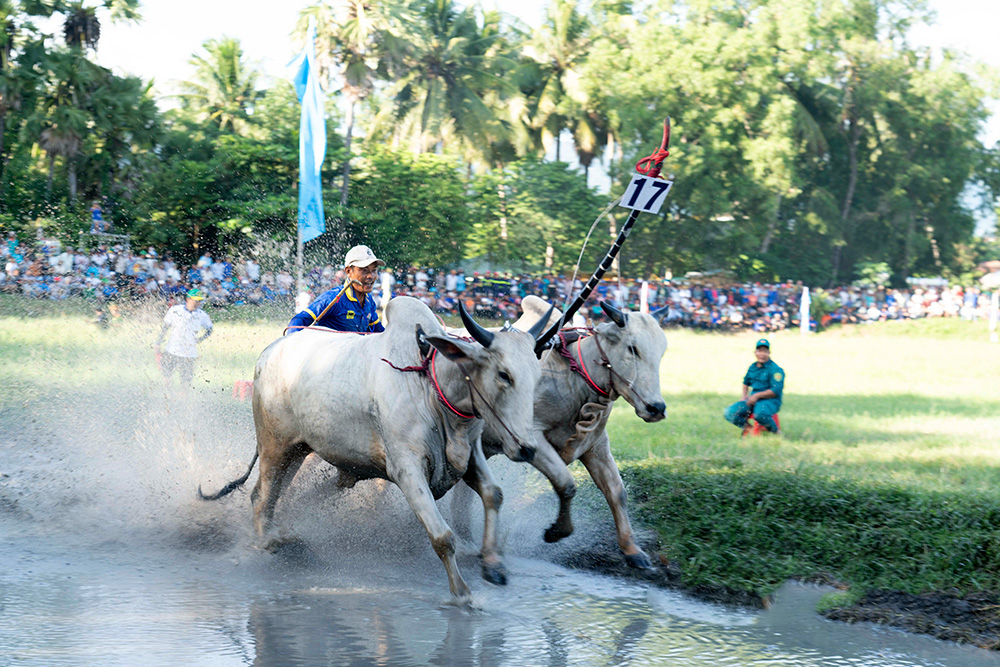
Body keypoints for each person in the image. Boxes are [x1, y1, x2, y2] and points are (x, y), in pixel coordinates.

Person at [287, 245, 386, 333]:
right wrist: (291, 344)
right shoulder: (333, 298)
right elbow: (299, 321)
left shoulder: (369, 301)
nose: (370, 276)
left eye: (374, 271)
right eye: (364, 271)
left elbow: (378, 331)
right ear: (348, 271)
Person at [155, 288, 213, 386]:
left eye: (199, 301)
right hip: (172, 349)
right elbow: (165, 327)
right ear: (188, 299)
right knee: (167, 377)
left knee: (186, 381)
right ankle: (168, 396)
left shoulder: (202, 315)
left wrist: (200, 339)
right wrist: (158, 343)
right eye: (195, 300)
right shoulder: (175, 310)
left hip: (189, 353)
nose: (197, 303)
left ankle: (183, 398)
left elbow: (209, 329)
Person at [723, 338, 784, 433]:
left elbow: (776, 390)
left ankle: (775, 432)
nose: (762, 354)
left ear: (769, 353)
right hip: (752, 399)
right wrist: (744, 396)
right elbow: (745, 382)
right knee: (730, 412)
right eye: (760, 351)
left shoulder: (776, 370)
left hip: (770, 401)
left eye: (765, 351)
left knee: (759, 414)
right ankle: (750, 430)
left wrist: (756, 396)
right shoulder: (752, 367)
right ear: (755, 352)